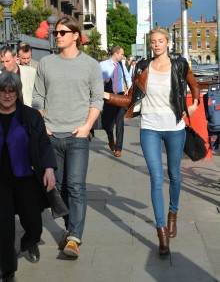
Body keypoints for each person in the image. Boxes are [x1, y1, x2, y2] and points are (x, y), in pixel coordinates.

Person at [104, 26, 200, 256]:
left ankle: (173, 214)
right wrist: (106, 96)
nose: (156, 44)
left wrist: (194, 104)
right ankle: (162, 232)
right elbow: (130, 99)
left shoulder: (179, 65)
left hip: (175, 128)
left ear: (167, 42)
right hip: (149, 128)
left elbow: (194, 85)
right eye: (153, 41)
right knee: (157, 178)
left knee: (175, 176)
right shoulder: (142, 67)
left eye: (159, 41)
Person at [32, 15, 103, 258]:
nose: (58, 36)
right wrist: (43, 124)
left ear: (75, 36)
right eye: (56, 33)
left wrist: (86, 127)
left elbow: (97, 99)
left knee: (76, 186)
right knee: (57, 188)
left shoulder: (91, 64)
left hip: (77, 136)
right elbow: (38, 97)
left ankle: (74, 237)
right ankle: (70, 228)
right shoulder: (46, 64)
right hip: (51, 135)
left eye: (63, 32)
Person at [0, 71, 57, 281]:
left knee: (34, 223)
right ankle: (7, 270)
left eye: (11, 91)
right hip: (1, 181)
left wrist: (49, 169)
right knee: (3, 225)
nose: (6, 95)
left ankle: (29, 242)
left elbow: (43, 144)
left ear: (17, 93)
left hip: (25, 177)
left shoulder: (30, 116)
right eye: (2, 91)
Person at [100, 46, 132, 157]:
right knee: (108, 123)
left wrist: (130, 89)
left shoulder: (121, 65)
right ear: (115, 53)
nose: (123, 56)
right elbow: (97, 81)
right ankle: (110, 137)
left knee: (120, 122)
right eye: (122, 54)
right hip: (108, 95)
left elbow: (127, 78)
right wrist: (105, 80)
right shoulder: (102, 65)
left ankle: (118, 148)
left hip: (120, 95)